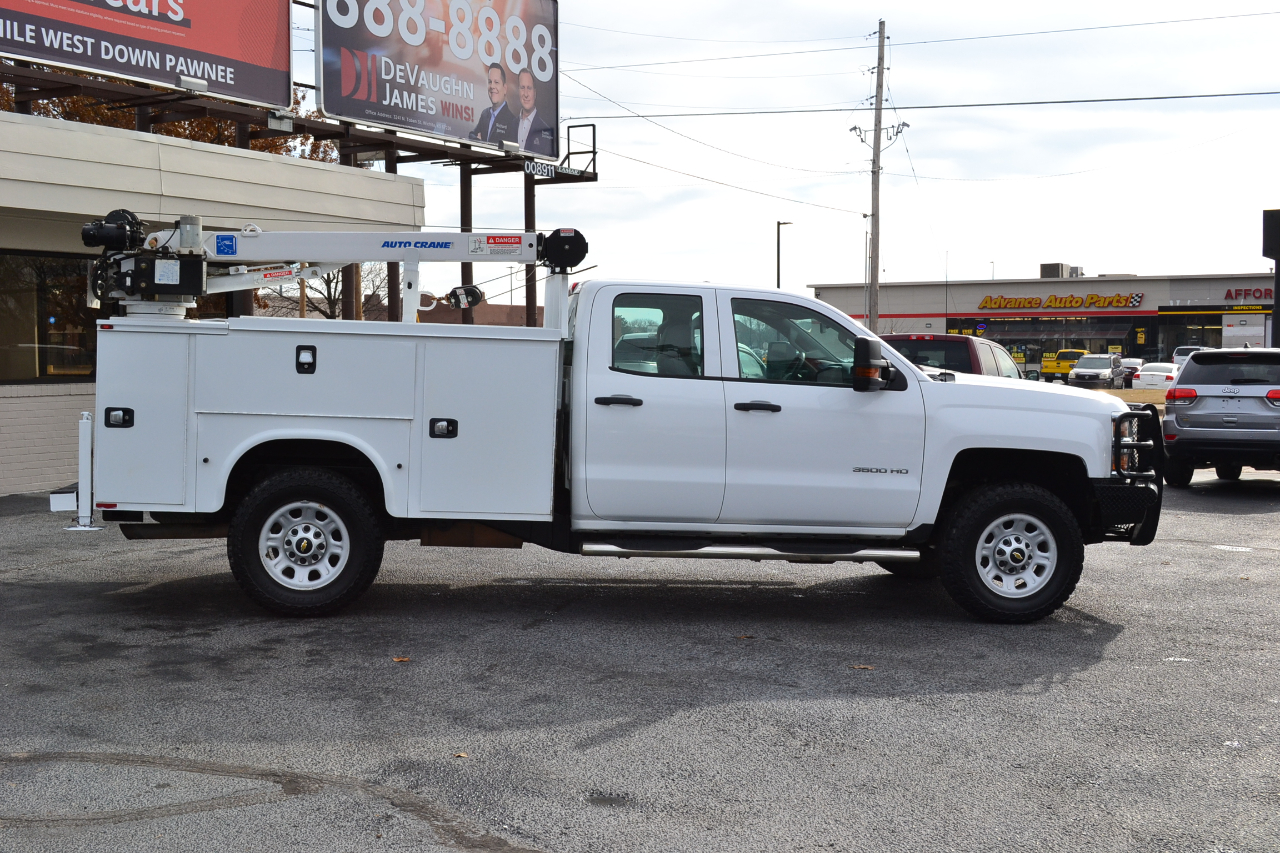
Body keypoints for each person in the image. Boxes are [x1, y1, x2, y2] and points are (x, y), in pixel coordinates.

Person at [469, 64, 514, 145]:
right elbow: (471, 135)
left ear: (505, 89)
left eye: (496, 82)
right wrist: (480, 141)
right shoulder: (485, 114)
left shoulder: (512, 121)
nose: (492, 86)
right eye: (490, 82)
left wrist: (481, 143)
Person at [515, 69, 555, 157]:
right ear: (518, 90)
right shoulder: (510, 125)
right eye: (522, 88)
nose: (526, 94)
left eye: (529, 88)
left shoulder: (546, 132)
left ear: (535, 93)